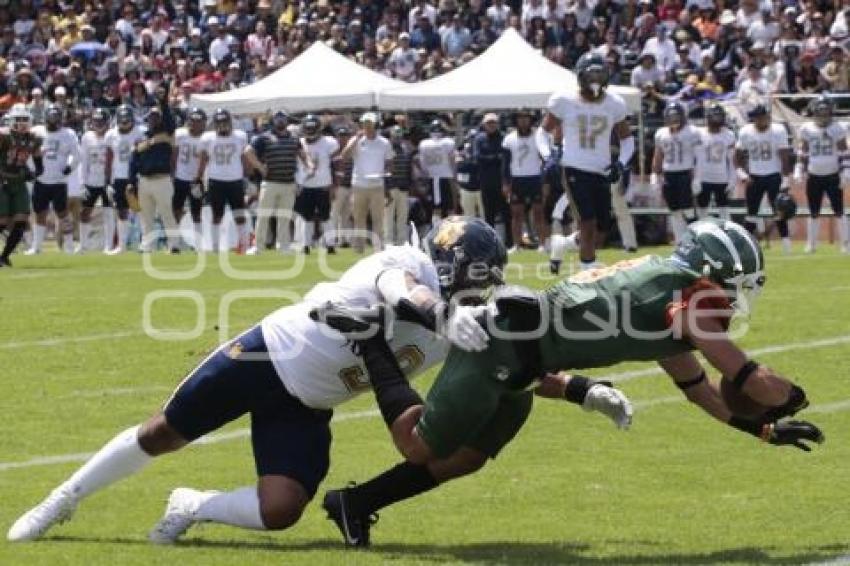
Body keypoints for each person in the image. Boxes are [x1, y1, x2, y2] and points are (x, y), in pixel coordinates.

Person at [315, 218, 825, 547]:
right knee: (418, 446)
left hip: (526, 359)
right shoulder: (682, 298)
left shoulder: (668, 295)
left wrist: (762, 431)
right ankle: (370, 339)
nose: (735, 301)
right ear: (710, 275)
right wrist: (792, 400)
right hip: (500, 345)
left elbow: (699, 390)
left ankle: (354, 505)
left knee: (464, 458)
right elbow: (748, 378)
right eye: (733, 288)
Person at [6, 221, 520, 544]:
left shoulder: (462, 322)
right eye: (478, 276)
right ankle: (62, 498)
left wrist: (580, 390)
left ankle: (193, 504)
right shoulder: (407, 266)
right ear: (451, 265)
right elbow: (399, 290)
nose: (482, 289)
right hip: (269, 354)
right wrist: (442, 315)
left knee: (281, 510)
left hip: (312, 399)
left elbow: (512, 364)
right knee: (163, 433)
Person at [541, 53, 635, 270]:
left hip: (601, 170)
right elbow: (543, 132)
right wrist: (550, 156)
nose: (595, 78)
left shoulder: (615, 103)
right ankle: (587, 276)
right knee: (588, 222)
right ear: (580, 75)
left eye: (599, 73)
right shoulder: (564, 99)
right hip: (574, 167)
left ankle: (563, 244)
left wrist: (620, 163)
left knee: (601, 231)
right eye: (591, 73)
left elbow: (627, 139)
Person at [244, 111, 308, 256]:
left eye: (283, 119)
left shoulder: (293, 138)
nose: (281, 121)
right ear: (274, 121)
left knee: (284, 216)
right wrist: (260, 167)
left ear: (286, 120)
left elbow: (301, 153)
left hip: (289, 182)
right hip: (270, 182)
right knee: (263, 215)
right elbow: (248, 151)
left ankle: (283, 246)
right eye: (278, 119)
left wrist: (308, 164)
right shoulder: (264, 137)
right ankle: (258, 247)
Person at [793, 96, 849, 254]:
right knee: (813, 211)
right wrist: (799, 168)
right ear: (815, 111)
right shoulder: (806, 128)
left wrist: (846, 170)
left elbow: (844, 151)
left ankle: (845, 244)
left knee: (839, 210)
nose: (824, 114)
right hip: (814, 174)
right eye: (821, 110)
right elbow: (802, 151)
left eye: (826, 111)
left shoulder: (838, 127)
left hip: (832, 174)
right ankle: (812, 244)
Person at [735, 104, 793, 253]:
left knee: (780, 210)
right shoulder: (746, 131)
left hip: (773, 175)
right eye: (757, 117)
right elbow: (737, 156)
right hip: (754, 177)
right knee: (751, 213)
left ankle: (786, 244)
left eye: (762, 117)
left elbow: (785, 156)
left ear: (767, 117)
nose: (760, 120)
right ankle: (745, 246)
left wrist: (786, 178)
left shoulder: (778, 130)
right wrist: (742, 174)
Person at [27, 103, 79, 255]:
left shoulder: (68, 133)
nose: (53, 120)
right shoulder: (36, 131)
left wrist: (69, 167)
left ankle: (69, 246)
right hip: (41, 179)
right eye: (50, 116)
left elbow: (76, 154)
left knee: (62, 213)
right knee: (39, 213)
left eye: (56, 117)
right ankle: (37, 247)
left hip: (59, 180)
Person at [129, 101, 179, 254]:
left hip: (162, 179)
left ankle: (174, 245)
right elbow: (134, 160)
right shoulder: (141, 138)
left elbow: (170, 121)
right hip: (144, 180)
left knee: (167, 214)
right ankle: (147, 245)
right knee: (146, 216)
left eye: (157, 117)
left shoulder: (167, 133)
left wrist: (163, 102)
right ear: (147, 119)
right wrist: (131, 181)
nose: (154, 120)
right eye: (151, 117)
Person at [340, 112, 394, 253]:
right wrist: (354, 140)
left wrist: (386, 174)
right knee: (359, 218)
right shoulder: (357, 141)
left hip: (377, 184)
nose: (367, 127)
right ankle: (359, 247)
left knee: (378, 219)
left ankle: (378, 247)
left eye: (370, 124)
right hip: (359, 184)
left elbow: (389, 162)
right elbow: (344, 156)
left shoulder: (384, 143)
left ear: (375, 125)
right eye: (365, 124)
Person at [198, 108, 250, 253]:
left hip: (235, 180)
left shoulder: (240, 136)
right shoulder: (208, 138)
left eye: (224, 121)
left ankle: (244, 247)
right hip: (216, 179)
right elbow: (203, 159)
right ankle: (215, 247)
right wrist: (198, 178)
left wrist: (248, 176)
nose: (222, 124)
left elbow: (244, 158)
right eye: (219, 121)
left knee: (239, 215)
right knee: (217, 215)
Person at [651, 102, 701, 244]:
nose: (674, 120)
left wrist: (697, 178)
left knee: (688, 209)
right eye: (671, 117)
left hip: (685, 173)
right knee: (674, 210)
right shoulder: (661, 133)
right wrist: (655, 175)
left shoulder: (692, 132)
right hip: (669, 174)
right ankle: (680, 241)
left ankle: (696, 240)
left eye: (676, 117)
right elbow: (658, 155)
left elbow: (699, 157)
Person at [0, 104, 42, 267]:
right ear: (11, 120)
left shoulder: (33, 139)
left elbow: (40, 167)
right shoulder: (4, 136)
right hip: (2, 180)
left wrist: (32, 173)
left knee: (21, 220)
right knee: (2, 221)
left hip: (19, 182)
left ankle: (4, 256)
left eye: (25, 119)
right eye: (19, 120)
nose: (23, 123)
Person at [502, 109, 545, 253]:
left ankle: (542, 244)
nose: (523, 121)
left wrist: (545, 181)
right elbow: (505, 163)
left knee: (538, 213)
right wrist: (506, 183)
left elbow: (545, 159)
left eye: (526, 118)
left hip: (535, 178)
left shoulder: (538, 136)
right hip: (517, 179)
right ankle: (517, 245)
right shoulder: (509, 139)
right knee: (516, 214)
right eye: (520, 118)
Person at [105, 105, 145, 255]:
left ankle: (144, 244)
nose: (124, 122)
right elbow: (109, 158)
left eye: (127, 119)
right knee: (122, 211)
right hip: (119, 177)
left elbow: (143, 155)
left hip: (134, 176)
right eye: (122, 119)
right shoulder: (111, 134)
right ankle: (122, 246)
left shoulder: (139, 132)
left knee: (139, 209)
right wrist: (107, 181)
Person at [294, 114, 334, 254]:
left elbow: (336, 162)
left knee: (325, 216)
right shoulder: (299, 142)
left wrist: (335, 183)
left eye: (312, 128)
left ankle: (330, 244)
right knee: (306, 217)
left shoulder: (328, 142)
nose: (310, 132)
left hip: (323, 184)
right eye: (308, 129)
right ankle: (305, 245)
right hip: (305, 185)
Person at [172, 107, 208, 251]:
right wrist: (173, 173)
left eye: (198, 121)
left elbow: (206, 159)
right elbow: (174, 155)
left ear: (203, 122)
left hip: (196, 179)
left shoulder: (206, 138)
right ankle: (175, 243)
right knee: (176, 210)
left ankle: (198, 244)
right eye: (192, 120)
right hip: (180, 177)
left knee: (196, 212)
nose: (195, 124)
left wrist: (199, 177)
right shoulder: (180, 134)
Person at [473, 113, 510, 247]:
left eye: (494, 122)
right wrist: (496, 157)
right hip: (486, 182)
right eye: (489, 123)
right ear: (484, 124)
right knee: (488, 215)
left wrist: (490, 158)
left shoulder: (504, 138)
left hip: (503, 182)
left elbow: (506, 158)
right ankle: (490, 243)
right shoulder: (479, 139)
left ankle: (509, 243)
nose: (491, 125)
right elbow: (478, 158)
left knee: (507, 214)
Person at [694, 103, 736, 221]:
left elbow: (732, 160)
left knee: (725, 211)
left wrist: (732, 179)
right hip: (703, 178)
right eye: (715, 116)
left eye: (719, 116)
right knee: (702, 210)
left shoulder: (729, 135)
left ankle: (727, 236)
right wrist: (695, 178)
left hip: (721, 178)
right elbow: (694, 159)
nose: (717, 119)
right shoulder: (698, 133)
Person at [416, 119, 457, 228]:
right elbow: (452, 161)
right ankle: (444, 231)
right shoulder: (448, 142)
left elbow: (422, 163)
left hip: (433, 178)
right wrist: (454, 175)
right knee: (447, 207)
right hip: (445, 177)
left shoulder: (424, 143)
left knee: (436, 207)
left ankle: (439, 230)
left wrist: (425, 174)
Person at [386, 125, 415, 245]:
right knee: (388, 216)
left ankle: (401, 240)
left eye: (399, 136)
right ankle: (389, 240)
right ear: (391, 137)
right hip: (390, 188)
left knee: (402, 216)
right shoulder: (386, 149)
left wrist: (410, 184)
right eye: (395, 136)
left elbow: (409, 169)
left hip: (403, 187)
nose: (397, 139)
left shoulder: (406, 150)